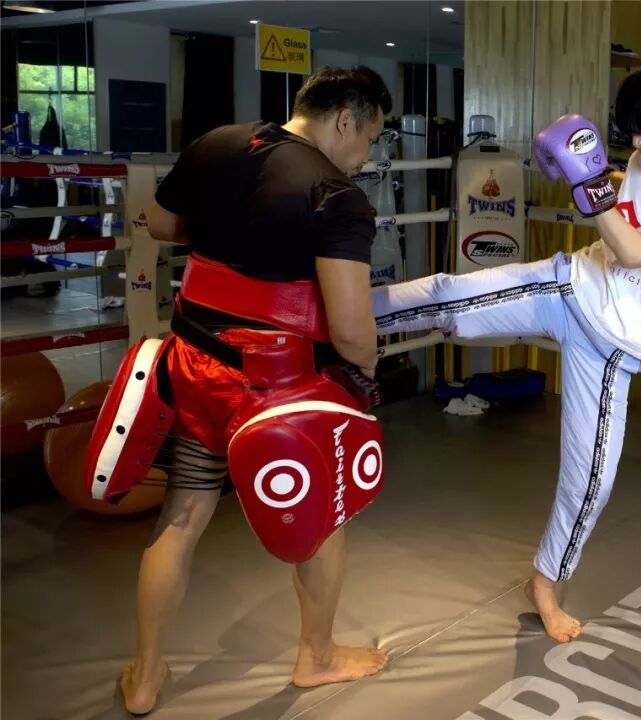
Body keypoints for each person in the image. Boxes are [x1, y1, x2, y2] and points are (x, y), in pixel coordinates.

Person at [372, 62, 641, 643]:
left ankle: (545, 582)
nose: (639, 143)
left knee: (591, 482)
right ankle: (349, 312)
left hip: (613, 348)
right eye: (631, 132)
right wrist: (583, 172)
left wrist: (588, 181)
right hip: (567, 288)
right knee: (453, 296)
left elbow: (636, 251)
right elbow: (613, 209)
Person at [115, 66, 391, 714]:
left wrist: (233, 234)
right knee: (322, 516)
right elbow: (352, 331)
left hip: (194, 365)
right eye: (370, 137)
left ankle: (146, 675)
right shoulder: (335, 194)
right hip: (280, 388)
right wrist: (366, 384)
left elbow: (159, 223)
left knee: (182, 516)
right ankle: (317, 656)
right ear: (345, 119)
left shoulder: (216, 143)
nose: (366, 155)